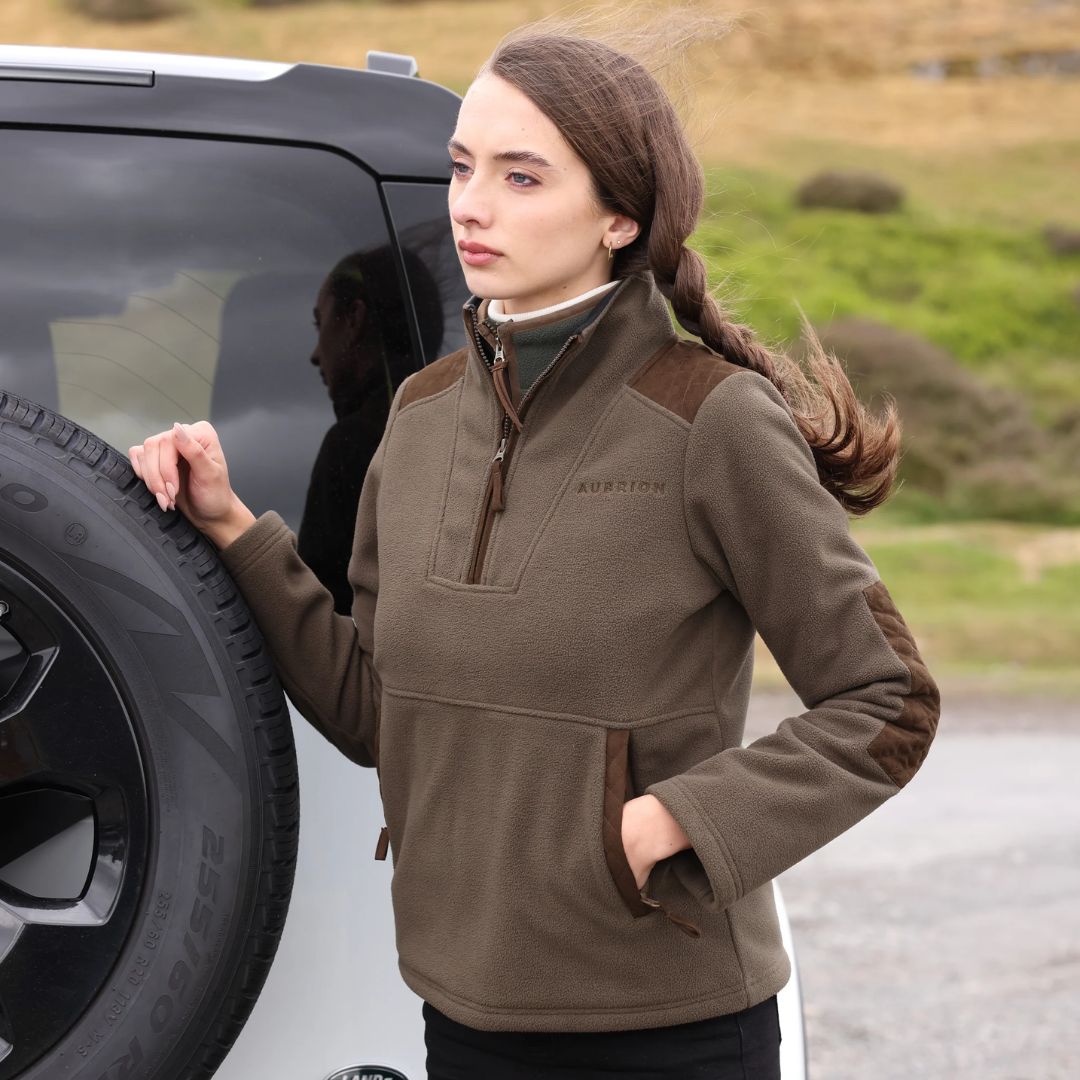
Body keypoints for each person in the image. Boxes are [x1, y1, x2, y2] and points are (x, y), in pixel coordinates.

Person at [128, 19, 941, 1080]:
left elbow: (888, 703)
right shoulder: (417, 418)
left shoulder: (711, 420)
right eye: (464, 168)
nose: (471, 204)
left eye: (521, 177)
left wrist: (673, 823)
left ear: (620, 215)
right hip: (461, 1016)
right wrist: (232, 526)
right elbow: (380, 713)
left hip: (666, 1032)